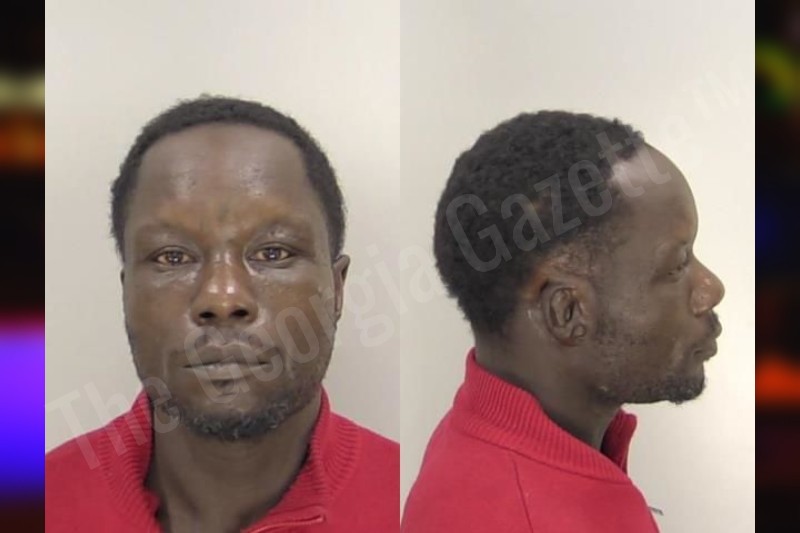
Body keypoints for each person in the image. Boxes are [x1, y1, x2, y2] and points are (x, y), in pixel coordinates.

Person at [46, 96, 399, 532]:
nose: (223, 298)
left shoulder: (410, 506)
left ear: (337, 288)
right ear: (127, 292)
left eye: (273, 252)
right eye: (173, 257)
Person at [401, 111, 724, 532]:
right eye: (677, 265)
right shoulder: (517, 518)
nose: (711, 288)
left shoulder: (489, 441)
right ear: (566, 312)